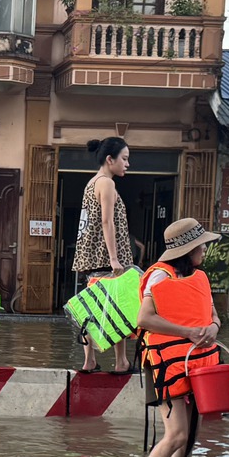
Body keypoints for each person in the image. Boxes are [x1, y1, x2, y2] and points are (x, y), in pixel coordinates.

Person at [137, 218, 223, 457]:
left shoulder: (199, 277)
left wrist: (213, 327)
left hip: (197, 361)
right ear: (188, 249)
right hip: (166, 363)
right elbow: (144, 318)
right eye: (201, 245)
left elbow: (213, 315)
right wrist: (188, 332)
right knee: (176, 435)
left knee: (190, 438)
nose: (205, 249)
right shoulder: (160, 277)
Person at [72, 137, 135, 372]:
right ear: (110, 159)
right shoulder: (107, 183)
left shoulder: (92, 182)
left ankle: (89, 361)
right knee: (117, 306)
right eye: (125, 159)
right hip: (105, 258)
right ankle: (121, 362)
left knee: (92, 308)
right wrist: (114, 259)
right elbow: (107, 221)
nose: (127, 164)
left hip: (92, 258)